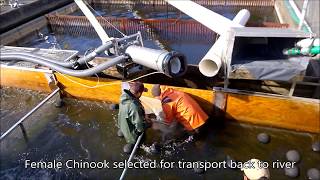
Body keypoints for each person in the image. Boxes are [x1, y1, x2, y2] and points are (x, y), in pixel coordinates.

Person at [118, 81, 148, 153]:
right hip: (132, 134)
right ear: (138, 93)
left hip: (122, 125)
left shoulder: (123, 96)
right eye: (141, 93)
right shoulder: (134, 107)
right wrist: (147, 124)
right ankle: (134, 145)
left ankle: (123, 133)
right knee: (143, 135)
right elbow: (140, 127)